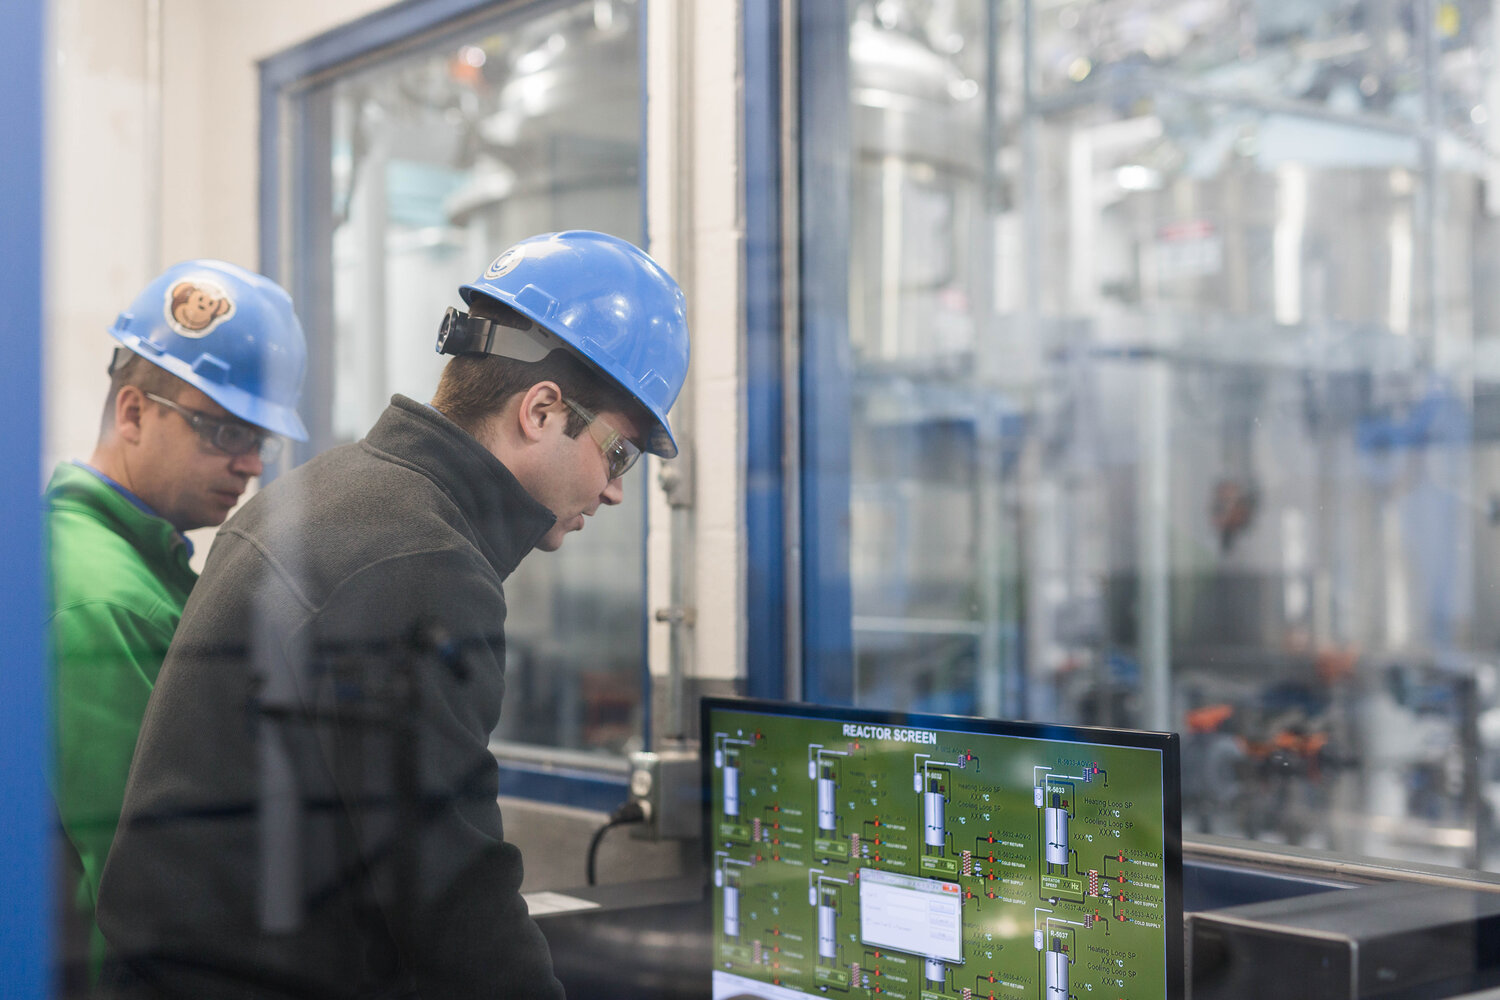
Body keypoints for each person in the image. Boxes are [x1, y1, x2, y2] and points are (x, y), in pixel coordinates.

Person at [96, 231, 690, 1000]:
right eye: (620, 455)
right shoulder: (424, 566)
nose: (614, 491)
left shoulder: (332, 495)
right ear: (543, 411)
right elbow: (457, 909)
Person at [46, 260, 308, 986]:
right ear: (132, 413)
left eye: (262, 439)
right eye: (223, 430)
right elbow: (144, 882)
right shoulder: (104, 599)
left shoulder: (135, 563)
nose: (250, 464)